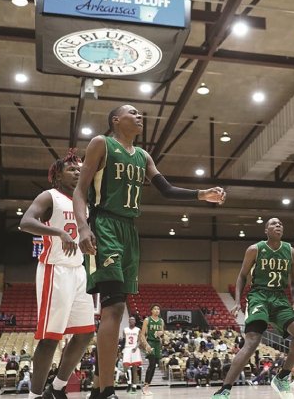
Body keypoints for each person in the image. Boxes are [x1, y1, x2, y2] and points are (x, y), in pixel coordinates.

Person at [73, 105, 226, 399]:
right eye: (133, 112)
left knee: (117, 306)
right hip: (105, 224)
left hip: (130, 230)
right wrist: (83, 227)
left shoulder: (143, 156)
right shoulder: (101, 144)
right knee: (114, 306)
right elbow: (80, 190)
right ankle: (105, 390)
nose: (140, 116)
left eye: (141, 113)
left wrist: (201, 194)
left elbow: (166, 189)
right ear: (116, 120)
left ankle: (97, 389)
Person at [19, 151, 96, 399]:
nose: (78, 172)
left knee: (85, 333)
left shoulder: (84, 200)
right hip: (55, 271)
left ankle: (57, 388)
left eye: (81, 169)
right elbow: (25, 222)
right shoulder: (49, 196)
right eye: (72, 169)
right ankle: (34, 395)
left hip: (78, 271)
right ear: (57, 174)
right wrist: (57, 232)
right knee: (51, 338)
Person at [211, 218, 294, 399]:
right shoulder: (255, 249)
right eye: (273, 224)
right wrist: (237, 300)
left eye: (280, 223)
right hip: (259, 296)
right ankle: (224, 390)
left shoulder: (291, 252)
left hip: (280, 298)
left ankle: (282, 377)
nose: (278, 225)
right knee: (253, 341)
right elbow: (242, 276)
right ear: (266, 230)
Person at [139, 306, 164, 395]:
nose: (157, 310)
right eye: (155, 309)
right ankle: (145, 387)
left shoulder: (161, 321)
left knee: (154, 365)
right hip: (150, 343)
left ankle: (147, 386)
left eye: (158, 309)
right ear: (151, 311)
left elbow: (162, 332)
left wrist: (161, 334)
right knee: (152, 364)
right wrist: (146, 345)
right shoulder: (147, 320)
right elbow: (142, 335)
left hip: (157, 344)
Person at [120, 316, 142, 393]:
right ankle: (129, 383)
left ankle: (134, 386)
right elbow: (123, 340)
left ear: (135, 322)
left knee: (135, 369)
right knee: (126, 368)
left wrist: (136, 347)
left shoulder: (138, 330)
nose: (131, 321)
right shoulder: (125, 330)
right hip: (127, 348)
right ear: (128, 321)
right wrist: (121, 350)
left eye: (133, 320)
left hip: (134, 349)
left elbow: (139, 340)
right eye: (130, 320)